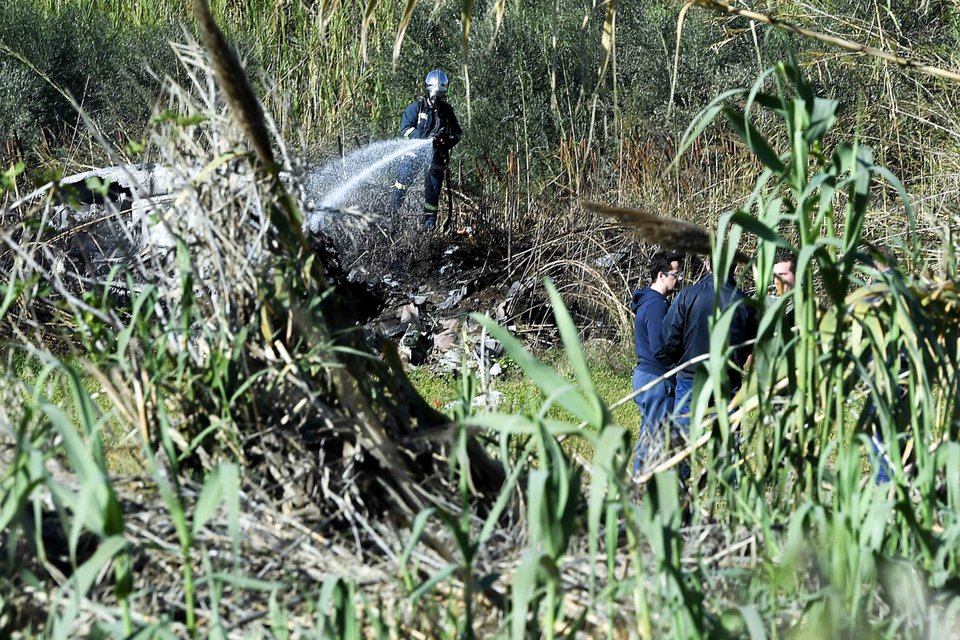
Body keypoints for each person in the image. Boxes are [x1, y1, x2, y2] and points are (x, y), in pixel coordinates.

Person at [655, 255, 758, 468]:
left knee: (683, 435)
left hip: (691, 376)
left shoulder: (688, 296)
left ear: (708, 264)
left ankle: (679, 484)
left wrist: (679, 361)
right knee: (728, 435)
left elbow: (668, 338)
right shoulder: (744, 302)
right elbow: (752, 342)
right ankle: (729, 484)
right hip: (727, 379)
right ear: (735, 267)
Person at [630, 251, 684, 473]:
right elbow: (658, 347)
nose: (679, 279)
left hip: (645, 375)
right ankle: (639, 484)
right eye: (675, 274)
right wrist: (676, 369)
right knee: (654, 437)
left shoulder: (651, 301)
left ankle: (643, 485)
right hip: (655, 378)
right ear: (661, 276)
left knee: (651, 433)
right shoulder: (656, 305)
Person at [389, 69, 462, 230]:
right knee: (401, 184)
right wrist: (423, 138)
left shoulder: (447, 111)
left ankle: (429, 225)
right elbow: (405, 130)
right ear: (429, 91)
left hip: (436, 157)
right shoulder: (417, 108)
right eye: (436, 96)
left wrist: (445, 141)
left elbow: (457, 133)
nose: (438, 99)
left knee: (433, 192)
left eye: (441, 96)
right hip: (413, 155)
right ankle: (391, 217)